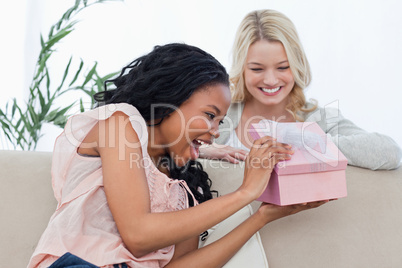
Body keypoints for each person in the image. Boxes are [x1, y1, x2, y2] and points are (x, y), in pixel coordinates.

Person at [28, 43, 328, 268]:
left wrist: (262, 217)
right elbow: (138, 234)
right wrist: (246, 192)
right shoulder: (119, 124)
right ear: (169, 99)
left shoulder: (183, 194)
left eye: (220, 121)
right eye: (210, 115)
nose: (214, 130)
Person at [211, 9, 401, 170]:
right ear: (241, 69)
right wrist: (204, 151)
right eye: (257, 69)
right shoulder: (219, 115)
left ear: (297, 65)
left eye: (283, 67)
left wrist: (303, 141)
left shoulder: (320, 119)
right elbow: (182, 152)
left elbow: (390, 152)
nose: (270, 80)